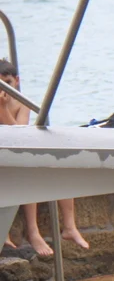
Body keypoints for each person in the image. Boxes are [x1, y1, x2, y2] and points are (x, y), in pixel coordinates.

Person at [0, 59, 89, 255]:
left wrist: (4, 109)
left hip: (17, 153)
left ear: (16, 81)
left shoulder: (22, 103)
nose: (4, 89)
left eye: (8, 83)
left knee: (57, 169)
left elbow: (20, 134)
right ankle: (25, 233)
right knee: (23, 176)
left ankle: (69, 227)